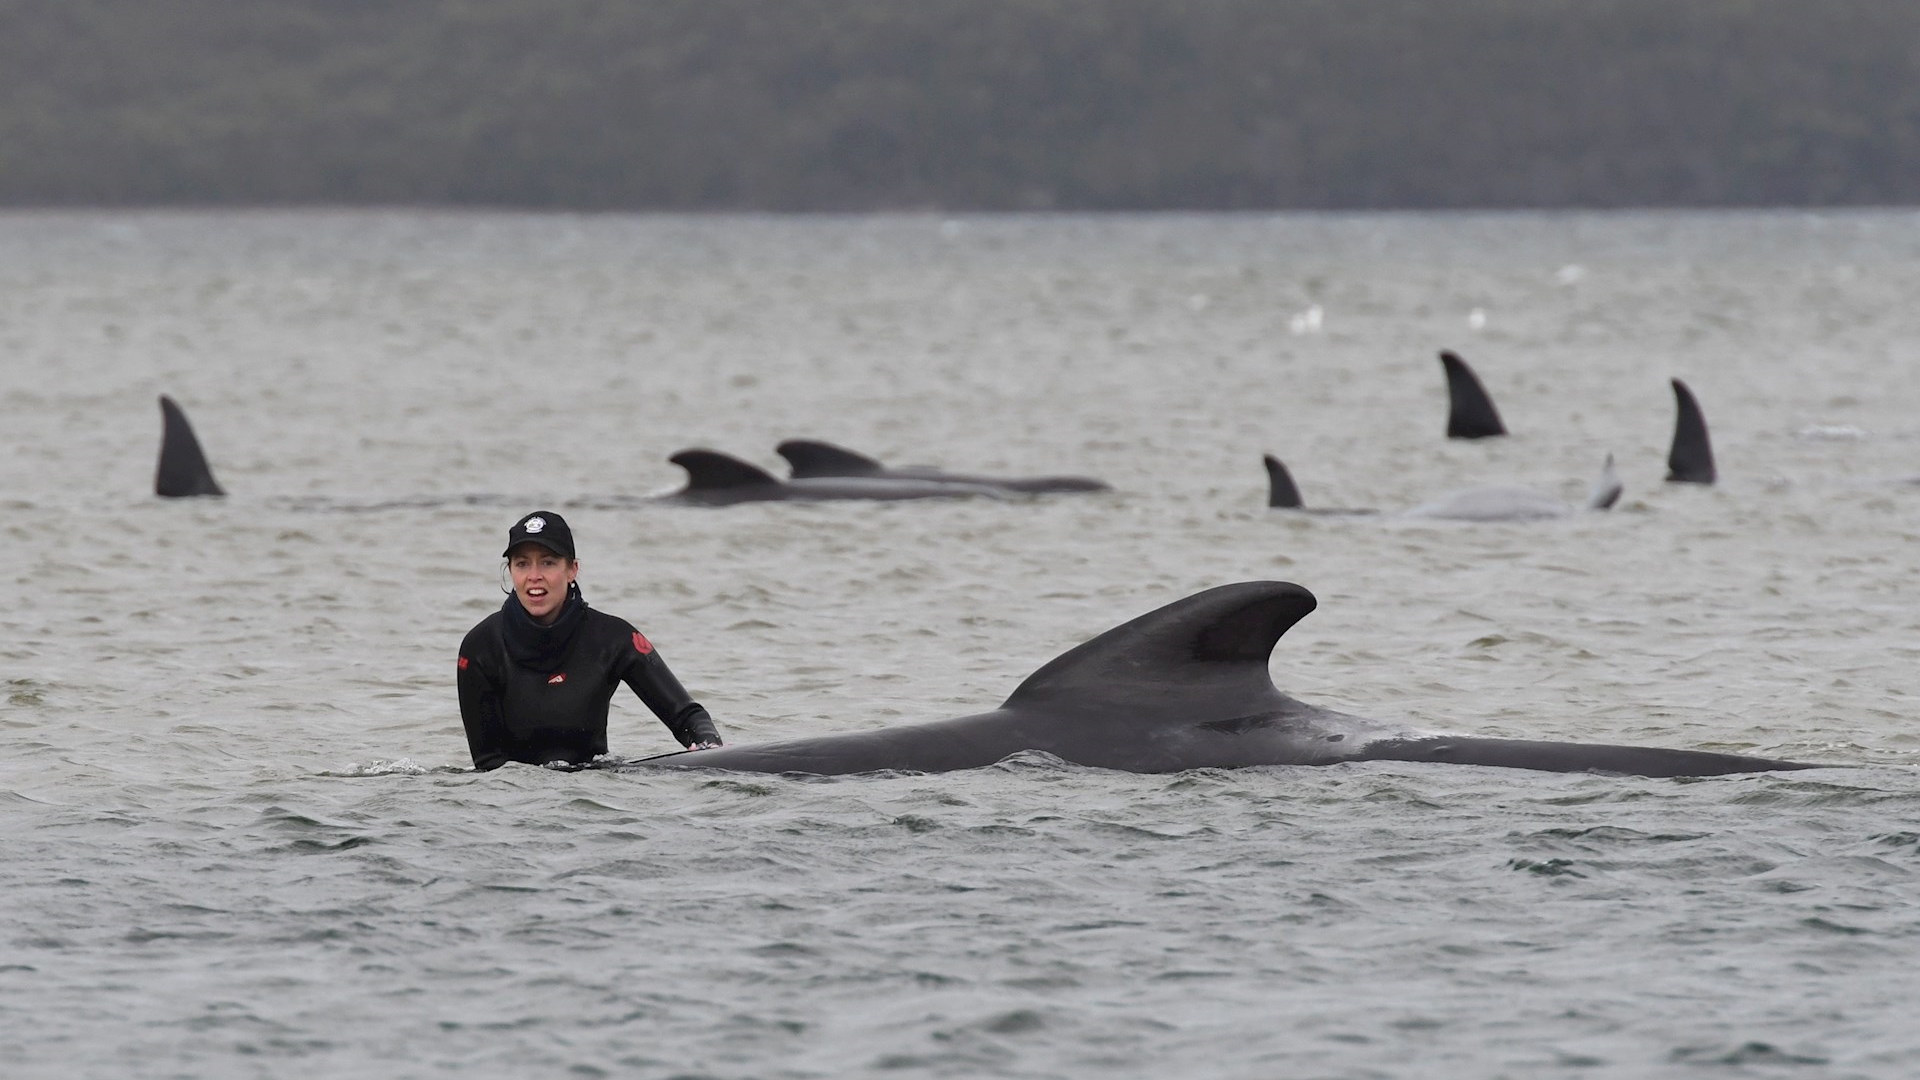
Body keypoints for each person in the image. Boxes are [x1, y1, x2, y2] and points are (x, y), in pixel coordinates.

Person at [457, 510, 722, 770]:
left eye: (548, 562)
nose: (534, 576)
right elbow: (488, 765)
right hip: (514, 805)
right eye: (522, 563)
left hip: (593, 796)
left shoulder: (612, 638)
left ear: (572, 569)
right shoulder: (481, 647)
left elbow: (687, 717)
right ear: (511, 571)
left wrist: (710, 749)